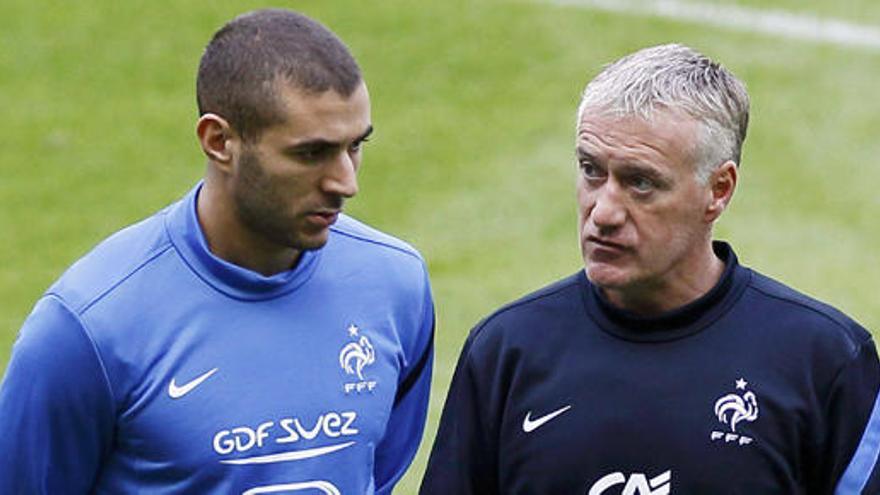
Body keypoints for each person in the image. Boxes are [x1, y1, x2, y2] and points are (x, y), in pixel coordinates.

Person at [0, 9, 434, 494]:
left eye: (355, 146)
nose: (346, 182)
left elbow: (376, 475)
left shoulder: (395, 286)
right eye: (311, 153)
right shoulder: (90, 327)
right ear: (219, 141)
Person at [420, 43, 880, 494]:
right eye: (591, 170)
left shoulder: (826, 360)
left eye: (640, 182)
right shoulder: (507, 351)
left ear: (718, 190)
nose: (603, 211)